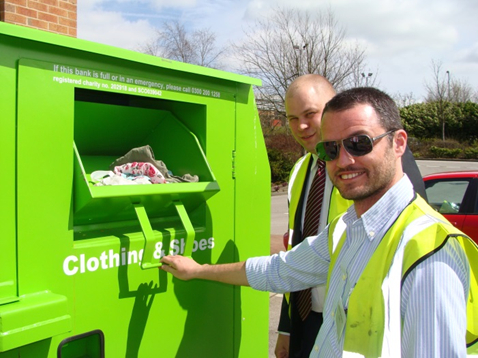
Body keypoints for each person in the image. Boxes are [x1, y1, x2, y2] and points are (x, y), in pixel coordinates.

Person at [160, 87, 478, 357]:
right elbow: (278, 270)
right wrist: (198, 270)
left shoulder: (428, 252)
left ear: (398, 143)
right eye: (331, 148)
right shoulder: (345, 230)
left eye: (359, 143)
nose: (344, 160)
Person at [278, 75, 428, 358]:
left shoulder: (382, 162)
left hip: (359, 326)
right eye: (292, 118)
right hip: (306, 321)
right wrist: (287, 327)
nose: (301, 126)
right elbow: (295, 249)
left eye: (310, 114)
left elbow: (408, 244)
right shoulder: (300, 170)